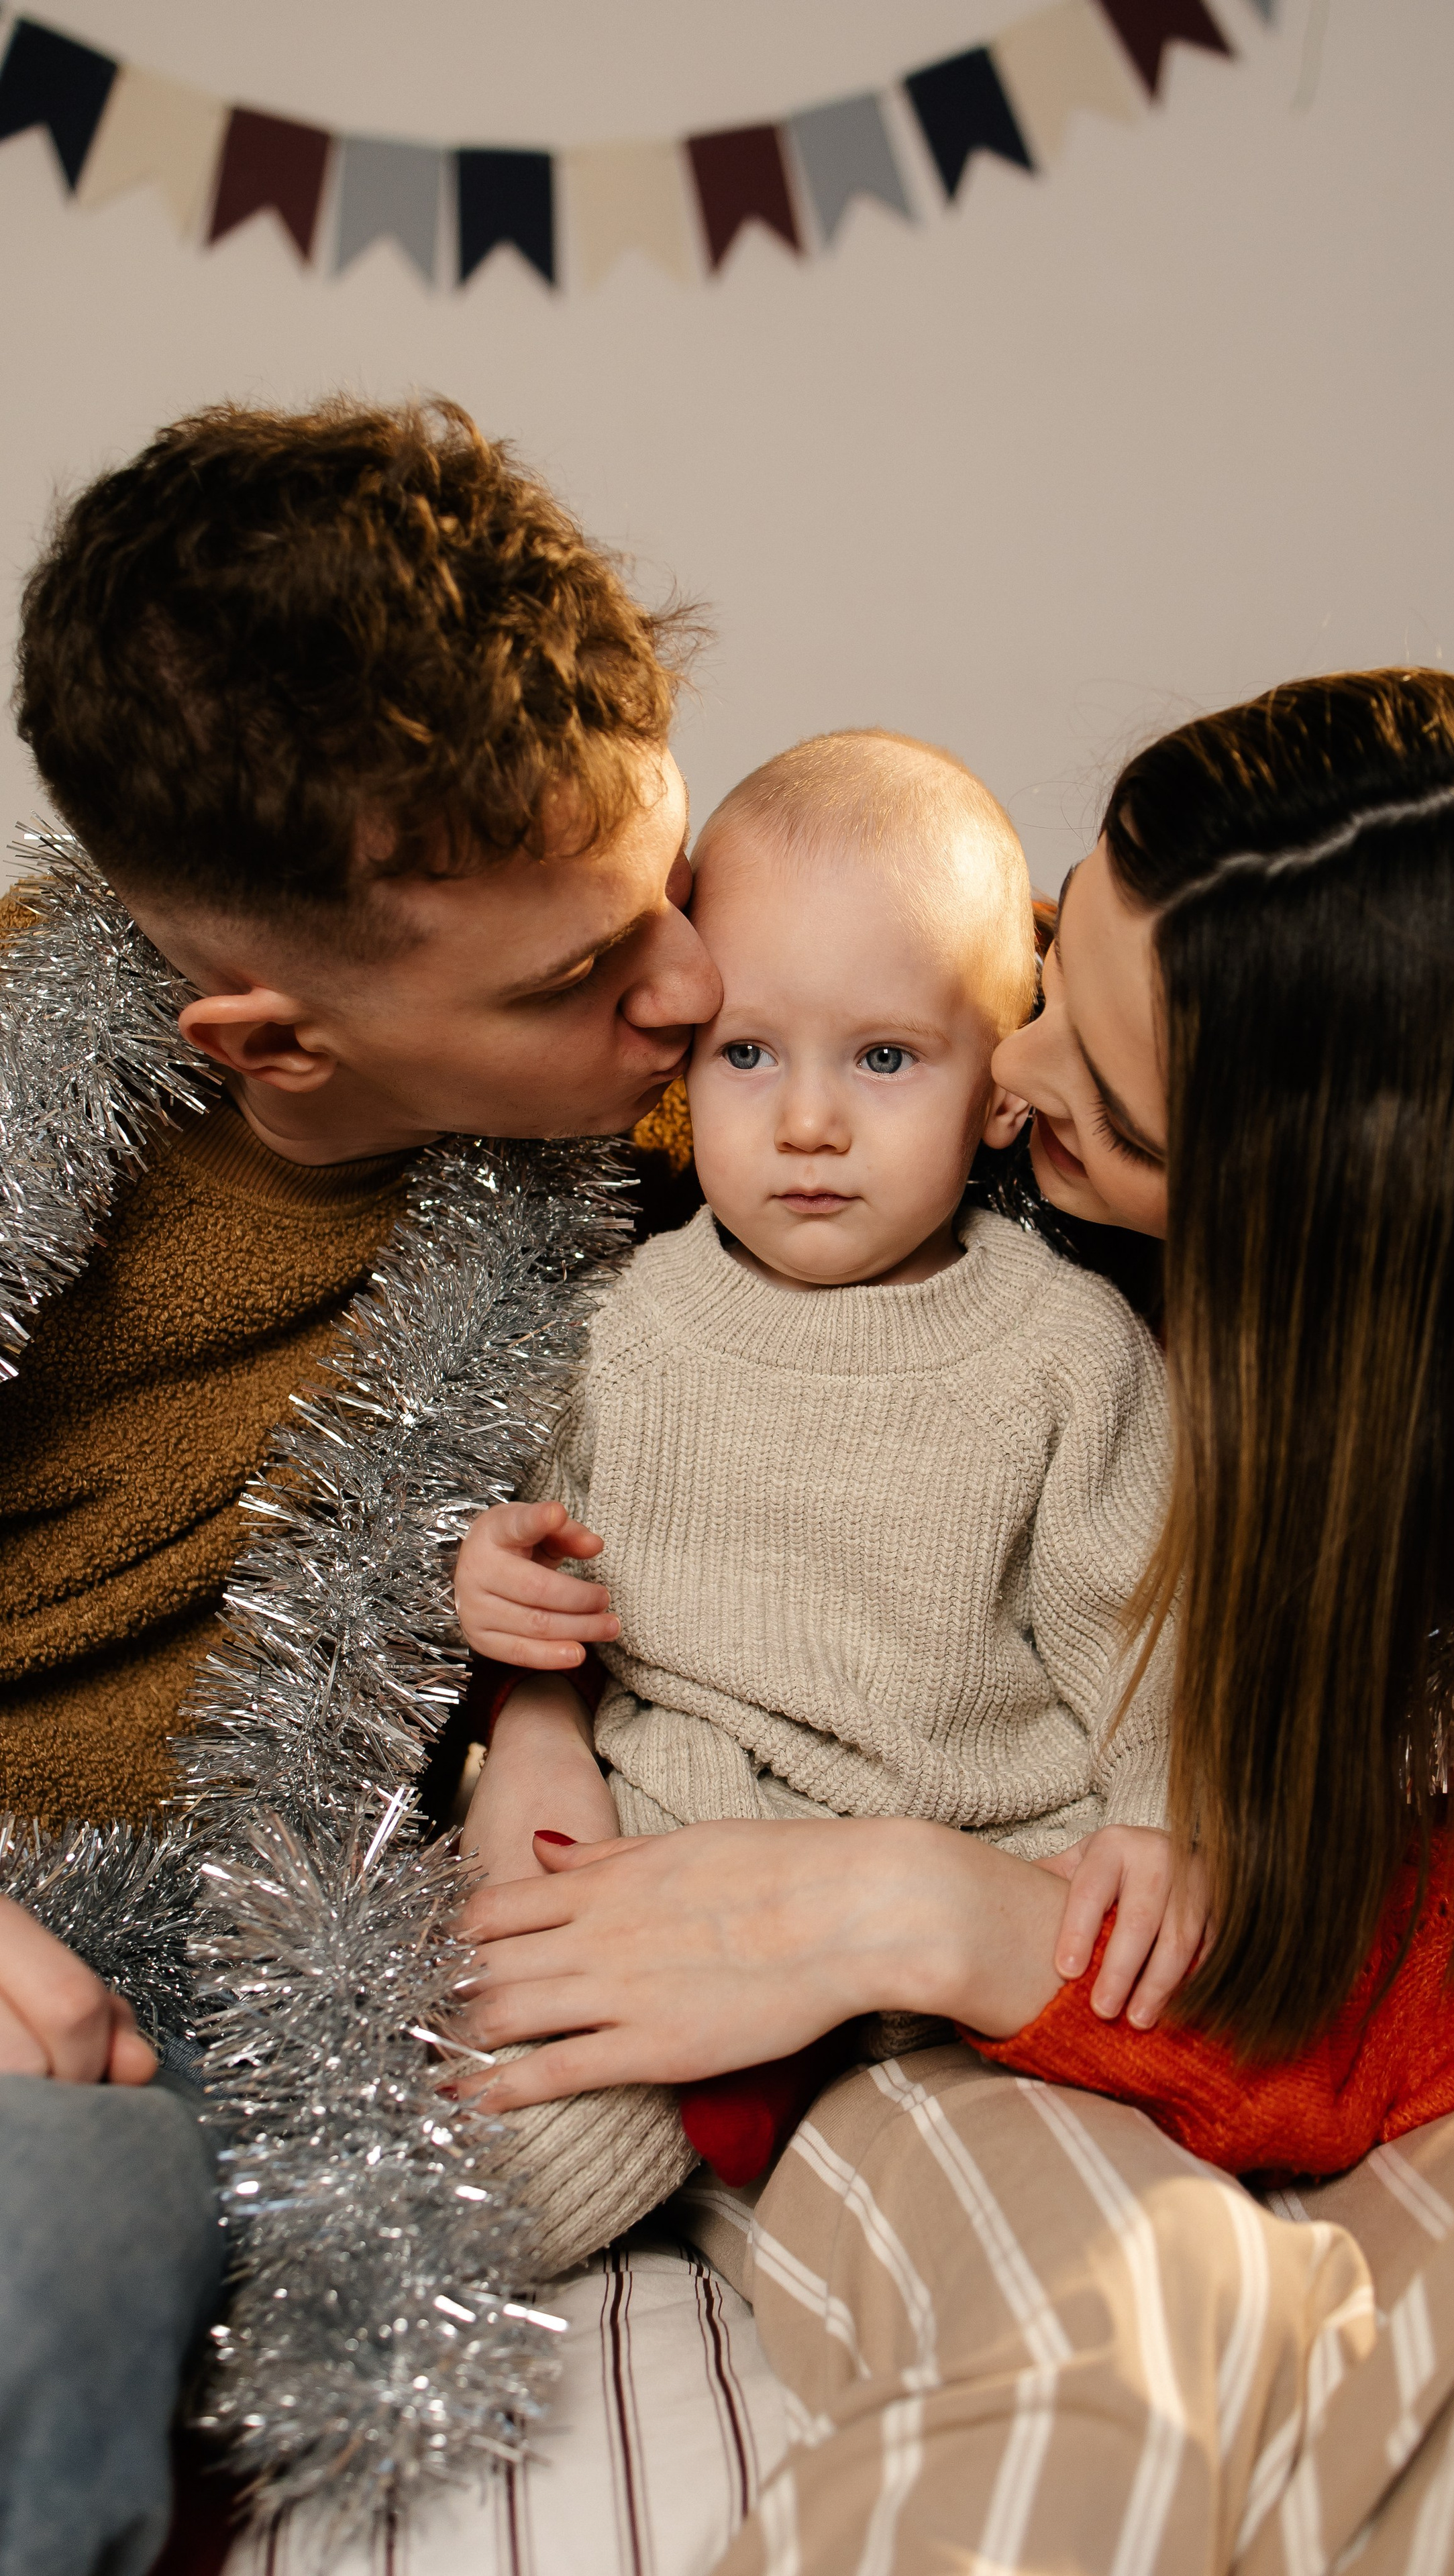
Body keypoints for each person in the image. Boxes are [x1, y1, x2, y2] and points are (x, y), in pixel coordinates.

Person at [458, 671, 1454, 2573]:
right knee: (1133, 2314)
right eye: (1050, 959)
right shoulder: (795, 1174)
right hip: (923, 2109)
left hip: (1126, 2004)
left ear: (1307, 1240)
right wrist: (532, 1707)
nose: (1009, 1070)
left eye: (1100, 1093)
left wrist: (959, 1914)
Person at [0, 396, 718, 2576]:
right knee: (67, 2207)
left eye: (665, 888)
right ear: (269, 1040)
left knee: (120, 2202)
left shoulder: (721, 1087)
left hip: (232, 1951)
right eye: (587, 976)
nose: (690, 988)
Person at [452, 732, 1200, 2255]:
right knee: (484, 2175)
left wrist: (1164, 1815)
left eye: (882, 1058)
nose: (807, 1123)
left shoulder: (1063, 1349)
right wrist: (494, 1595)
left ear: (1002, 1083)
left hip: (955, 1878)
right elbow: (524, 1557)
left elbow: (1146, 1626)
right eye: (748, 1053)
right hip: (669, 1854)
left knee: (1052, 2216)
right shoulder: (623, 1320)